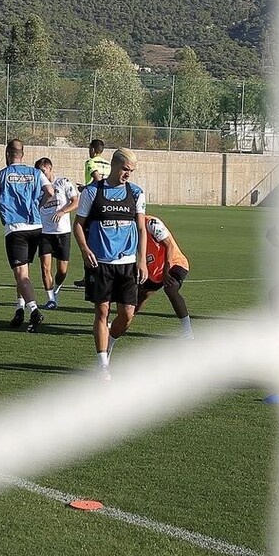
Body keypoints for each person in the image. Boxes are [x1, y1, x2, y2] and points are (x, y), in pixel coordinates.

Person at [73, 147, 147, 379]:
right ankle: (102, 363)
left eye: (131, 171)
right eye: (125, 169)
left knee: (127, 314)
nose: (128, 174)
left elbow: (142, 228)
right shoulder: (93, 192)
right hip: (100, 261)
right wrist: (85, 249)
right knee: (102, 310)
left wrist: (142, 260)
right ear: (114, 166)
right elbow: (78, 224)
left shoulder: (135, 193)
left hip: (128, 262)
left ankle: (109, 343)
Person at [0, 139, 54, 332]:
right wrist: (38, 204)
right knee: (24, 273)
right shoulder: (36, 172)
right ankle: (19, 309)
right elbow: (50, 191)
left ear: (8, 154)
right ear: (22, 154)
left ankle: (33, 310)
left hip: (16, 229)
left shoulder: (1, 175)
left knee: (21, 274)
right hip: (36, 227)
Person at [136, 214, 193, 337]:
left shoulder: (151, 223)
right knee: (139, 295)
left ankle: (187, 331)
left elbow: (169, 245)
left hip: (174, 263)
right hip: (154, 269)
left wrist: (166, 271)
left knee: (170, 288)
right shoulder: (128, 227)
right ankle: (121, 323)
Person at [34, 156, 79, 310]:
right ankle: (50, 299)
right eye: (38, 171)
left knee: (62, 270)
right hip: (45, 233)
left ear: (50, 168)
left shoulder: (63, 182)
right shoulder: (38, 188)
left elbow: (75, 201)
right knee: (45, 268)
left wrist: (62, 211)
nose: (40, 174)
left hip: (62, 232)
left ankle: (56, 289)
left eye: (42, 171)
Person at [73, 139, 112, 286]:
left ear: (93, 150)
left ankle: (89, 276)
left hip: (93, 205)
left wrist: (85, 188)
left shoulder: (90, 162)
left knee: (87, 239)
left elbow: (97, 179)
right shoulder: (108, 164)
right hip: (107, 204)